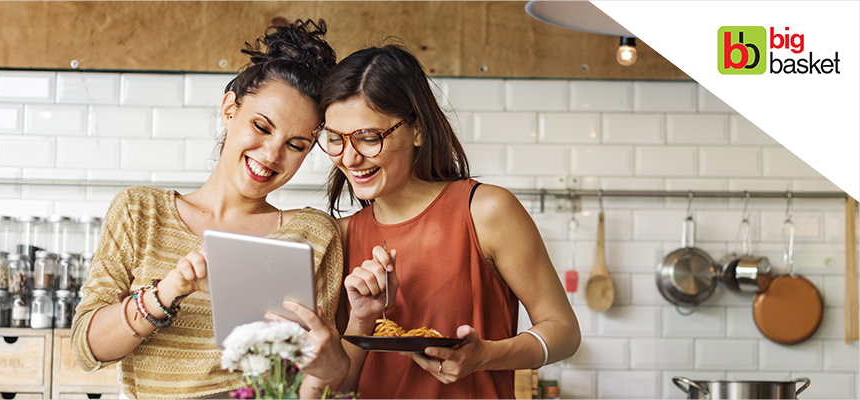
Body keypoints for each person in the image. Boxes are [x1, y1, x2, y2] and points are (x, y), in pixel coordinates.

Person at [70, 20, 349, 399]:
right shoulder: (140, 212)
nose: (271, 155)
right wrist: (168, 290)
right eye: (261, 126)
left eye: (296, 145)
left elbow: (314, 380)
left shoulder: (314, 235)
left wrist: (330, 360)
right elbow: (87, 349)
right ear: (229, 108)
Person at [317, 44, 581, 398]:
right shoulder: (341, 235)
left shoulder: (485, 211)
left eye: (369, 138)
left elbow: (564, 332)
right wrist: (361, 320)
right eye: (335, 139)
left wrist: (486, 355)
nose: (349, 157)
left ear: (417, 130)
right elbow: (340, 388)